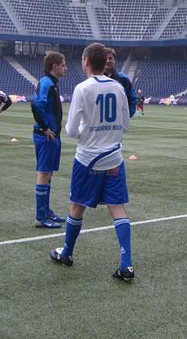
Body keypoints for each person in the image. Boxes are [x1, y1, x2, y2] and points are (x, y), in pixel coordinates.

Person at [49, 43, 134, 281]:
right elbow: (126, 125)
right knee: (117, 207)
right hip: (114, 157)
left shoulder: (82, 89)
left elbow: (72, 131)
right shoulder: (118, 87)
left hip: (87, 159)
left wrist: (90, 129)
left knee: (77, 206)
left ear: (85, 61)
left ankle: (67, 253)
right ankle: (126, 264)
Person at [32, 52, 67, 229]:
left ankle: (46, 211)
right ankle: (40, 216)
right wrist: (45, 128)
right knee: (44, 173)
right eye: (63, 65)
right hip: (46, 136)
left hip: (53, 135)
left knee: (49, 174)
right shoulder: (46, 82)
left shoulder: (51, 83)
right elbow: (36, 104)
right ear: (54, 66)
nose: (65, 68)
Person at [104, 47, 137, 117]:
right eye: (105, 59)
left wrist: (127, 116)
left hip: (118, 122)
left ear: (114, 60)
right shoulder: (96, 79)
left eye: (110, 58)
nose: (107, 61)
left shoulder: (123, 79)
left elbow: (132, 98)